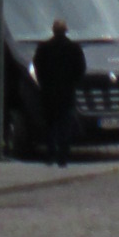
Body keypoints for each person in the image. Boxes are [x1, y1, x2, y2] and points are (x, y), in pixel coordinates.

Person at [32, 16, 87, 167]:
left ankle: (50, 155)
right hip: (67, 93)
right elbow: (81, 69)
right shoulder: (74, 48)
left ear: (53, 31)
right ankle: (63, 157)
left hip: (49, 93)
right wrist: (73, 83)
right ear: (65, 31)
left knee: (51, 125)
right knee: (65, 126)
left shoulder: (44, 48)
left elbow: (37, 67)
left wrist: (43, 82)